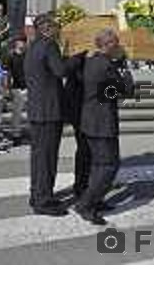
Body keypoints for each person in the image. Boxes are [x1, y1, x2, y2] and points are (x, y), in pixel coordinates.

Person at [75, 28, 134, 226]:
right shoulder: (106, 66)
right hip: (101, 122)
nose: (118, 47)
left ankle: (96, 200)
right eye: (115, 44)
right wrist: (124, 68)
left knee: (98, 165)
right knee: (109, 165)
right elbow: (127, 89)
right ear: (107, 45)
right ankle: (86, 204)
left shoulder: (92, 61)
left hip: (91, 119)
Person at [24, 13, 80, 216]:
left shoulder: (33, 47)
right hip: (48, 111)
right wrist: (77, 59)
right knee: (47, 158)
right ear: (46, 28)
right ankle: (43, 201)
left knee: (39, 157)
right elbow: (61, 71)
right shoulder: (49, 45)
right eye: (56, 26)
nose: (58, 29)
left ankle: (37, 193)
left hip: (37, 109)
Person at [62, 50, 91, 200]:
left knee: (86, 150)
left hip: (84, 110)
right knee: (85, 150)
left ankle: (84, 185)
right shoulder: (78, 59)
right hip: (80, 111)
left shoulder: (83, 59)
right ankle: (82, 187)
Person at [8, 36, 27, 142]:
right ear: (16, 43)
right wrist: (8, 88)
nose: (23, 44)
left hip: (28, 86)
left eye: (24, 42)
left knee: (30, 112)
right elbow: (8, 73)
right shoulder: (11, 56)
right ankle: (16, 134)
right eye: (21, 42)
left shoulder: (28, 55)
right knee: (17, 113)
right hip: (16, 88)